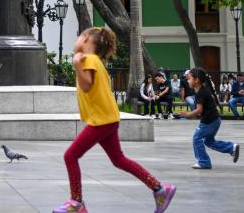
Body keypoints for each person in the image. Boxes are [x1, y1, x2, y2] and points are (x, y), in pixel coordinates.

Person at [55, 27, 175, 213]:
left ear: (87, 40)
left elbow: (86, 86)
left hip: (101, 121)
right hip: (108, 119)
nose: (76, 40)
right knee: (118, 159)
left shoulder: (88, 60)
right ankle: (159, 189)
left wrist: (77, 65)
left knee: (70, 156)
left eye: (80, 37)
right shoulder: (94, 61)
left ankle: (76, 202)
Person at [179, 67, 240, 169]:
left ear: (196, 80)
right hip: (214, 120)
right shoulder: (202, 90)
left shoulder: (201, 92)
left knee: (197, 138)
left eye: (189, 78)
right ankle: (231, 148)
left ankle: (203, 162)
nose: (187, 81)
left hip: (210, 122)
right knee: (209, 141)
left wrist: (187, 115)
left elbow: (199, 110)